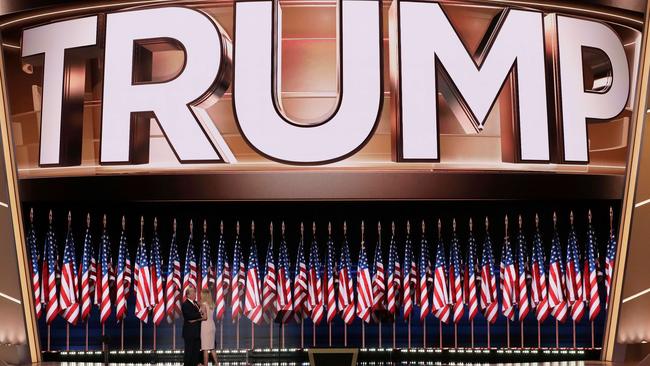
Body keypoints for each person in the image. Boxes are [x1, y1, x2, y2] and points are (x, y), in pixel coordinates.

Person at [182, 287, 202, 366]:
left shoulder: (196, 303)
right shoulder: (185, 304)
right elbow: (189, 316)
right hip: (189, 333)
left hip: (197, 333)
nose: (195, 293)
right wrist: (200, 314)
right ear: (188, 295)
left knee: (196, 353)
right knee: (189, 353)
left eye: (195, 292)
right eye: (193, 292)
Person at [200, 289, 219, 366]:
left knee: (205, 348)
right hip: (212, 326)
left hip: (205, 327)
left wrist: (197, 318)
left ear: (203, 295)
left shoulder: (203, 304)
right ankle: (216, 363)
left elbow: (204, 317)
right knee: (212, 347)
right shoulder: (212, 304)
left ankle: (205, 364)